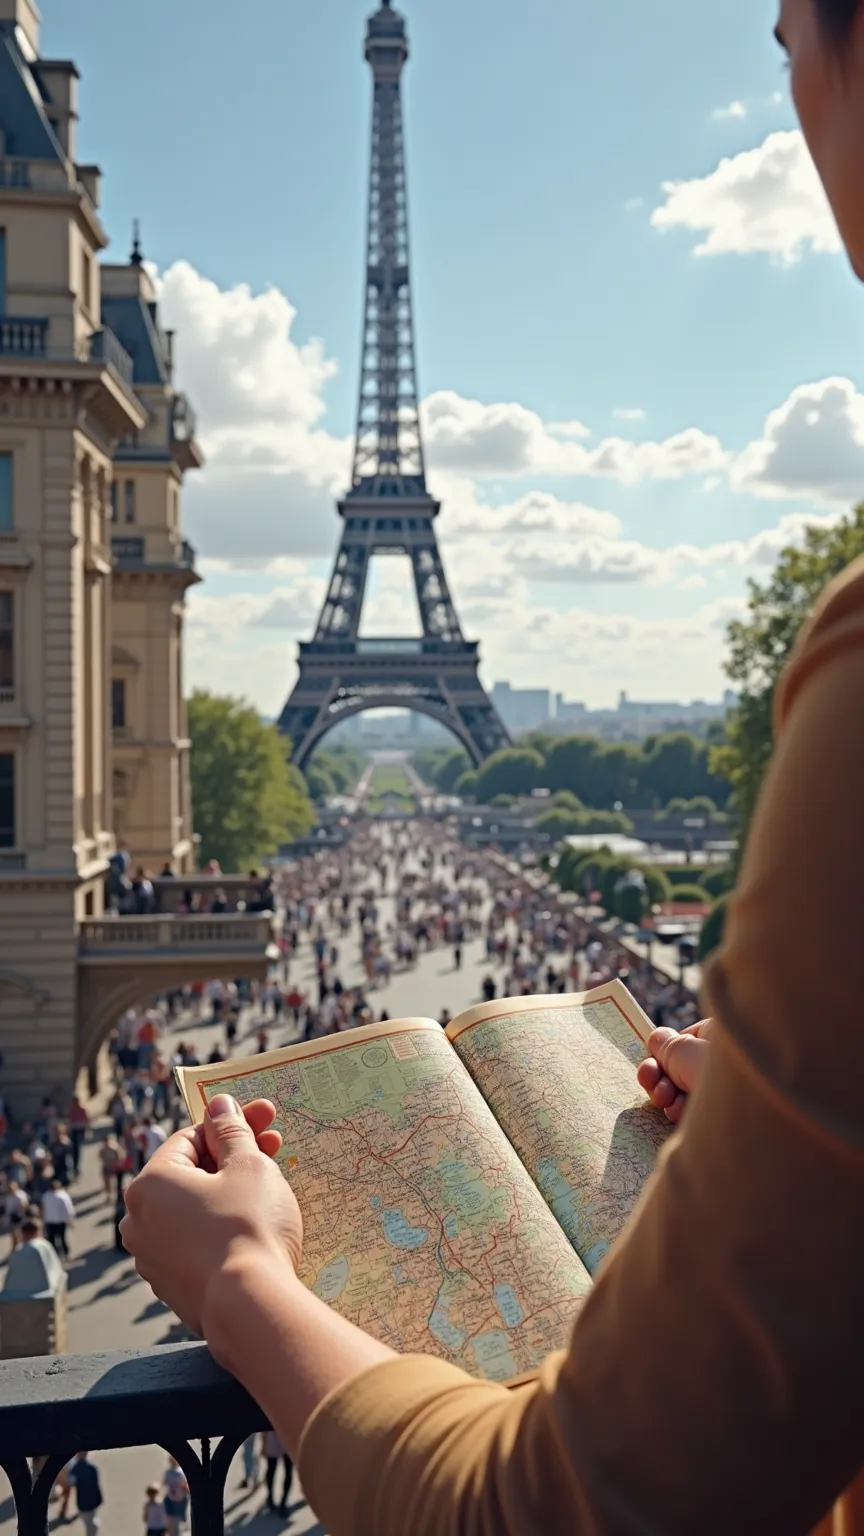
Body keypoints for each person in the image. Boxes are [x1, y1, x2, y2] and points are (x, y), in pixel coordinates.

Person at [66, 1453, 103, 1536]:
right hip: (88, 1501)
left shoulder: (77, 1468)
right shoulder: (92, 1467)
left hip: (87, 1501)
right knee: (92, 1525)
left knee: (92, 1523)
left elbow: (70, 1482)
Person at [263, 1427, 292, 1517]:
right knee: (275, 1470)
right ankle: (275, 1500)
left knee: (285, 1470)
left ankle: (280, 1501)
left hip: (282, 1435)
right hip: (281, 1435)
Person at [41, 1178, 74, 1258]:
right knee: (62, 1238)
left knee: (51, 1239)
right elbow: (68, 1209)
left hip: (49, 1221)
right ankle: (66, 1254)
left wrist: (43, 1219)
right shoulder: (63, 1196)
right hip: (61, 1220)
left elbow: (43, 1209)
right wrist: (70, 1219)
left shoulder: (45, 1196)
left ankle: (53, 1255)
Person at [163, 1457, 188, 1535]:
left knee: (177, 1523)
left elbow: (185, 1485)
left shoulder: (181, 1472)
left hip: (179, 1500)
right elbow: (165, 1482)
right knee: (170, 1522)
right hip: (171, 1499)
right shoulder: (168, 1472)